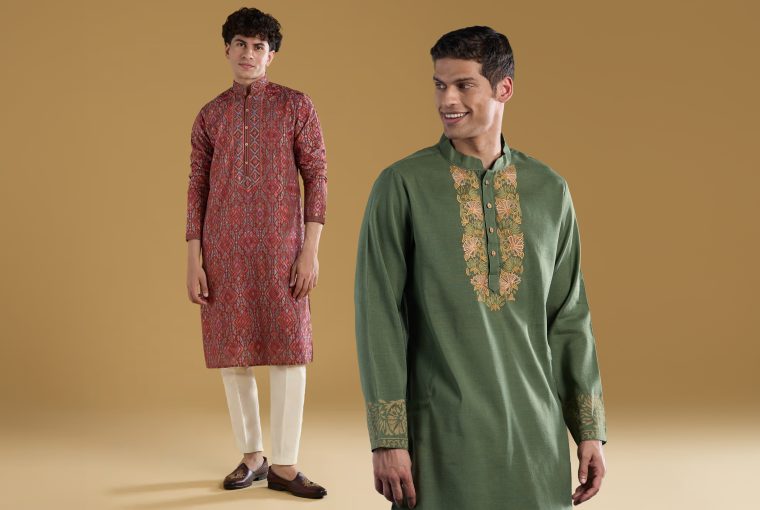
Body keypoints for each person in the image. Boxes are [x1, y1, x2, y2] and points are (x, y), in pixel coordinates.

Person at [354, 26, 607, 509]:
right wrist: (388, 439)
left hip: (536, 439)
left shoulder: (549, 190)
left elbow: (569, 317)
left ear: (503, 88)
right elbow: (379, 315)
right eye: (439, 85)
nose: (446, 99)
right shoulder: (402, 185)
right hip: (441, 436)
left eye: (463, 85)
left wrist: (589, 431)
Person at [185, 7, 327, 499]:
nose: (249, 54)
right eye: (241, 45)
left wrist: (310, 249)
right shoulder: (210, 115)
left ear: (272, 55)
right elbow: (196, 188)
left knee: (290, 351)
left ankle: (285, 464)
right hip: (223, 248)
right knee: (234, 351)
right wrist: (194, 257)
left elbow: (317, 176)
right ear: (227, 50)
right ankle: (253, 457)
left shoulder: (295, 106)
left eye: (259, 47)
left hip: (282, 247)